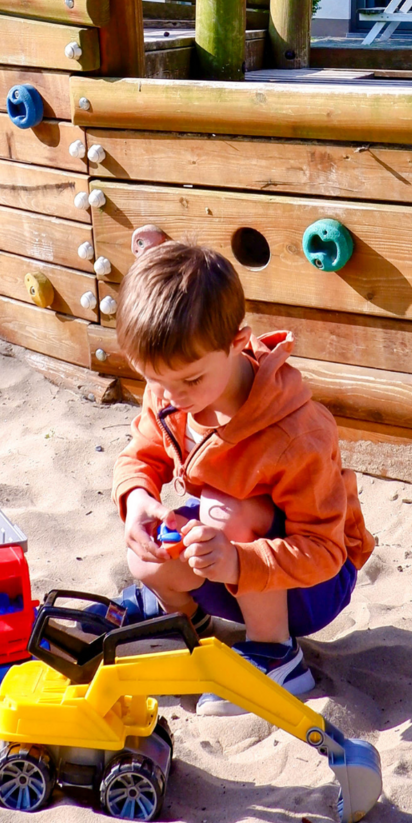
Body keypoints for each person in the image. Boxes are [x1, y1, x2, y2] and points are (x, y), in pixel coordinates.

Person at [110, 241, 374, 713]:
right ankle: (187, 624)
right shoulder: (172, 386)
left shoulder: (296, 433)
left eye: (190, 381)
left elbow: (327, 551)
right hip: (235, 560)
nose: (173, 396)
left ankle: (275, 654)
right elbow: (142, 452)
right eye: (156, 380)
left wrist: (237, 562)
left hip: (313, 585)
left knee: (221, 507)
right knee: (146, 559)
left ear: (236, 343)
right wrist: (137, 499)